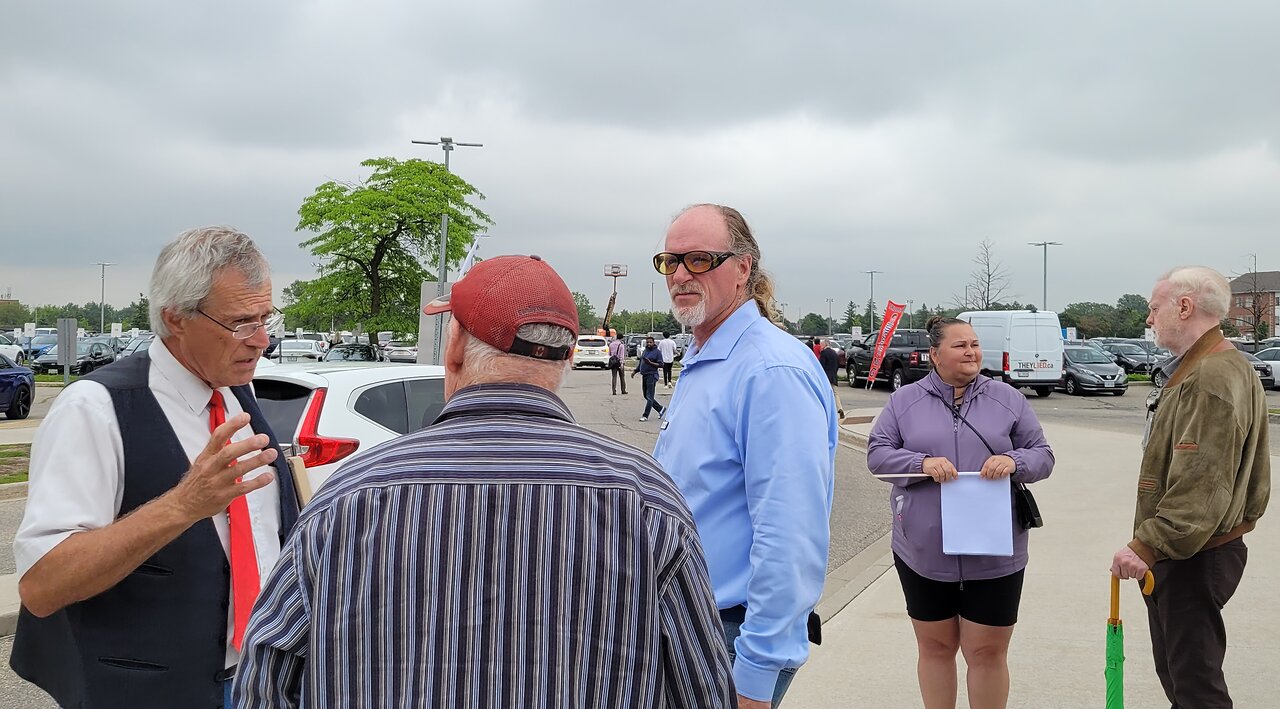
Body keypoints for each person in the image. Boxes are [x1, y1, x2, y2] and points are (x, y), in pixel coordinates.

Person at [234, 254, 734, 708]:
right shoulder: (644, 498)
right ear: (564, 361)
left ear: (453, 347)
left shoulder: (351, 495)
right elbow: (703, 689)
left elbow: (267, 672)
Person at [10, 227, 299, 709]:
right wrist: (183, 505)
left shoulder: (235, 394)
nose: (262, 341)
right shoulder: (95, 409)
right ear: (175, 319)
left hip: (255, 679)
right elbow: (43, 585)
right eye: (241, 323)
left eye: (266, 318)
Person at [652, 204, 837, 708]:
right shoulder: (707, 358)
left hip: (730, 637)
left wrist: (755, 674)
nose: (681, 275)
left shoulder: (769, 370)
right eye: (670, 261)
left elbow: (791, 532)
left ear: (743, 268)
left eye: (699, 259)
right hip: (687, 625)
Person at [867, 315, 1054, 709]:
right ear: (935, 354)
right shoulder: (905, 401)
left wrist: (1014, 461)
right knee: (935, 646)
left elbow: (1043, 455)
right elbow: (878, 456)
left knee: (986, 652)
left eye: (974, 344)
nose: (971, 352)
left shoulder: (1007, 398)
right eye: (960, 345)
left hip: (995, 552)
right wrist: (920, 464)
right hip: (923, 551)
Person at [1110, 266, 1269, 708]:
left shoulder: (1211, 376)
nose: (1148, 319)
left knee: (1196, 688)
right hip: (1188, 552)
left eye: (1154, 308)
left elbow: (1203, 482)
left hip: (1195, 553)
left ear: (1184, 306)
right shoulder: (1207, 366)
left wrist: (1146, 545)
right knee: (1182, 680)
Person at [633, 335, 666, 421]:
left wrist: (650, 362)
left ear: (654, 343)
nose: (649, 344)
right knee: (646, 395)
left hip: (652, 375)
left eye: (650, 342)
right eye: (647, 342)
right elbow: (641, 363)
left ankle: (645, 415)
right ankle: (660, 409)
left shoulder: (657, 352)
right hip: (645, 375)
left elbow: (661, 365)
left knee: (649, 396)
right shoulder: (645, 351)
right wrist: (635, 371)